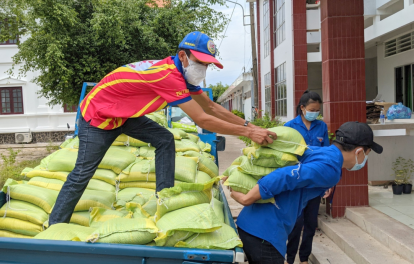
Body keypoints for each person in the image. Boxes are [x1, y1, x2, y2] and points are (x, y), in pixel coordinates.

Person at [49, 31, 277, 225]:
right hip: (98, 116)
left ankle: (164, 199)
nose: (203, 69)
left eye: (207, 65)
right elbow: (203, 120)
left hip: (123, 116)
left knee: (164, 139)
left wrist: (250, 125)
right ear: (182, 56)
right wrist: (249, 133)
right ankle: (55, 224)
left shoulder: (181, 74)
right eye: (200, 62)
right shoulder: (167, 76)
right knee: (82, 174)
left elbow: (209, 106)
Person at [228, 121, 383, 264]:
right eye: (368, 153)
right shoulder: (331, 169)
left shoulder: (322, 152)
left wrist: (321, 185)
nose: (365, 158)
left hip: (251, 224)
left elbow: (302, 170)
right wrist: (248, 198)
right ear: (359, 151)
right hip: (266, 233)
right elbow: (286, 175)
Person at [284, 91, 330, 264]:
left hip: (315, 182)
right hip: (297, 181)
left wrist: (327, 182)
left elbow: (326, 153)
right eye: (312, 109)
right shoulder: (290, 126)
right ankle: (290, 259)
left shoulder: (322, 127)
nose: (315, 113)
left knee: (310, 223)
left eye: (318, 110)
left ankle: (304, 258)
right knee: (295, 224)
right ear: (302, 108)